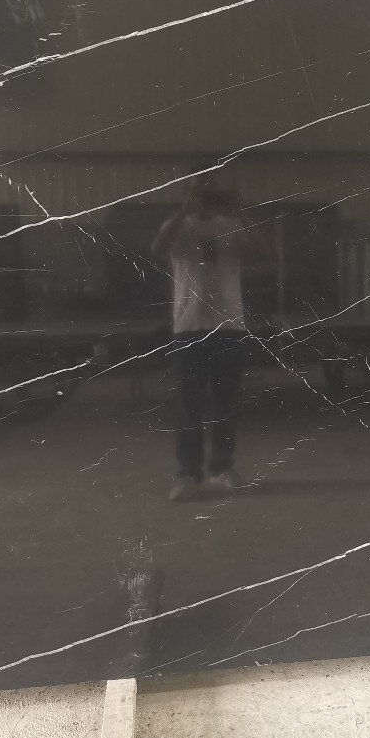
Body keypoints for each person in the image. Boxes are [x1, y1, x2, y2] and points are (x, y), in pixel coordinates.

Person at [151, 182, 263, 502]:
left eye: (211, 194)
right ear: (189, 194)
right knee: (189, 404)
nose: (207, 200)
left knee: (226, 403)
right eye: (200, 193)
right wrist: (184, 212)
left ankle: (222, 467)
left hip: (228, 324)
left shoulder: (232, 224)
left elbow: (263, 252)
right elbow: (157, 248)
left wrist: (241, 214)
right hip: (189, 327)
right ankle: (188, 473)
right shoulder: (178, 226)